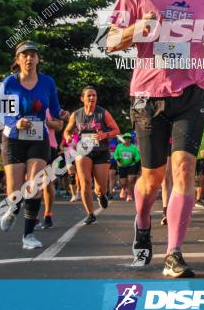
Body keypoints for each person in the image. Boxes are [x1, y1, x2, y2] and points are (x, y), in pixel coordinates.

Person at [107, 0, 204, 278]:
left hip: (190, 91)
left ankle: (174, 252)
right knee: (151, 177)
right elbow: (110, 40)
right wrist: (136, 29)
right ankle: (143, 222)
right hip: (148, 95)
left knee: (185, 169)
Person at [0, 40, 64, 250]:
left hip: (38, 137)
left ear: (38, 59)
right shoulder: (9, 83)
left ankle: (28, 236)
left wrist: (62, 114)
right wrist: (14, 122)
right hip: (13, 138)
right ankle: (13, 210)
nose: (29, 58)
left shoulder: (47, 82)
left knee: (35, 183)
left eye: (33, 54)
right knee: (14, 189)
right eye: (24, 55)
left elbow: (54, 109)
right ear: (17, 60)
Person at [63, 86, 121, 224]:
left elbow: (116, 130)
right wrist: (68, 138)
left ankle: (101, 195)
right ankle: (90, 214)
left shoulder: (103, 113)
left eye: (94, 95)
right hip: (83, 151)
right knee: (85, 182)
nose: (92, 98)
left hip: (101, 151)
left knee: (101, 187)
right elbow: (67, 131)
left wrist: (105, 135)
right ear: (82, 98)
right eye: (89, 95)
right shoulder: (76, 115)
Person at [39, 107, 69, 229]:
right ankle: (33, 217)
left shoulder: (51, 105)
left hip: (49, 146)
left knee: (47, 182)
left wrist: (45, 121)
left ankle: (48, 214)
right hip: (27, 146)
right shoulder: (23, 100)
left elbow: (60, 125)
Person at [114, 133, 141, 201]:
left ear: (130, 139)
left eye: (128, 138)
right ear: (123, 139)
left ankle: (129, 195)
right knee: (123, 182)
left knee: (130, 180)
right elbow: (115, 154)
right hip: (122, 166)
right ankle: (123, 189)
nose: (127, 139)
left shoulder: (133, 147)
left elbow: (138, 156)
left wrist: (134, 159)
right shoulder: (119, 146)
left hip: (131, 165)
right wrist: (118, 159)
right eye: (125, 138)